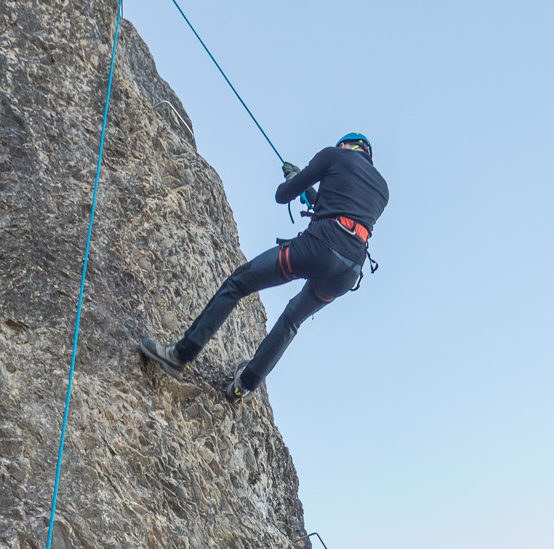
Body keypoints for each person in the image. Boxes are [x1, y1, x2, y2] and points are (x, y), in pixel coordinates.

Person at [140, 134, 389, 401]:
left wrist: (295, 181)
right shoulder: (382, 189)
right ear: (367, 155)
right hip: (348, 269)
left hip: (320, 247)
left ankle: (181, 355)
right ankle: (244, 385)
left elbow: (283, 196)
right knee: (292, 321)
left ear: (344, 145)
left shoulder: (333, 155)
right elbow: (341, 206)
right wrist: (309, 192)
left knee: (239, 283)